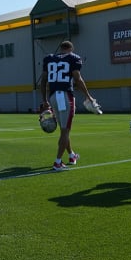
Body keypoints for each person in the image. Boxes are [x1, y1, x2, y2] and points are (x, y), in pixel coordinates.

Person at [38, 40, 98, 171]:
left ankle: (71, 155)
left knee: (63, 130)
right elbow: (78, 79)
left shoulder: (49, 58)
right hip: (65, 96)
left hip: (53, 96)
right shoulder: (73, 58)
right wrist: (88, 96)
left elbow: (43, 81)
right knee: (65, 131)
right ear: (71, 49)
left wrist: (44, 100)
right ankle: (58, 162)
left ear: (61, 48)